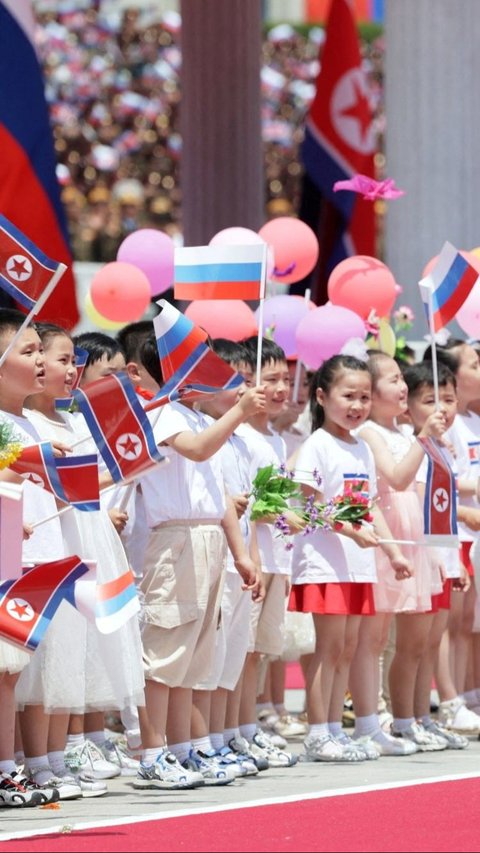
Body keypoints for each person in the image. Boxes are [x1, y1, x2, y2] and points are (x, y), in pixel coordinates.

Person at [132, 339, 268, 789]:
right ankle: (152, 754)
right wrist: (240, 412)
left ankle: (182, 748)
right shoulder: (165, 413)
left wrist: (241, 554)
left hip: (208, 537)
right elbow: (196, 451)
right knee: (165, 651)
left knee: (192, 657)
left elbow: (220, 499)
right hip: (176, 540)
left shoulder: (201, 417)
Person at [27, 323, 145, 781]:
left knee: (87, 643)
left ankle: (69, 750)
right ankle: (54, 754)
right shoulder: (29, 422)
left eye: (72, 360)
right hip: (62, 539)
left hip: (90, 536)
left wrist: (123, 470)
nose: (70, 370)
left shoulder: (75, 420)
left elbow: (83, 483)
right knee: (55, 649)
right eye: (61, 359)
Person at [287, 354, 413, 762]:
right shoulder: (317, 446)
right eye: (348, 396)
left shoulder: (360, 447)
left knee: (347, 647)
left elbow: (369, 506)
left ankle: (334, 732)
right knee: (329, 647)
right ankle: (318, 732)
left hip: (357, 563)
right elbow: (307, 505)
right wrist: (349, 531)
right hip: (325, 562)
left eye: (363, 397)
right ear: (322, 396)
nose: (357, 405)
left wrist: (392, 552)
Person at [351, 352, 454, 754]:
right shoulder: (371, 434)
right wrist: (423, 436)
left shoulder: (404, 433)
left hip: (418, 542)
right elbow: (394, 478)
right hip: (387, 542)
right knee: (373, 641)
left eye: (400, 378)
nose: (402, 386)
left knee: (416, 641)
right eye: (392, 379)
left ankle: (412, 719)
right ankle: (372, 721)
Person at [0, 310, 79, 804]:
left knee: (12, 672)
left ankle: (11, 766)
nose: (40, 362)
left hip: (34, 559)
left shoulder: (27, 422)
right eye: (27, 352)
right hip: (9, 555)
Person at [423, 339, 480, 733]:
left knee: (463, 622)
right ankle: (450, 699)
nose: (444, 406)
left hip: (464, 530)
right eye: (434, 398)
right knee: (445, 622)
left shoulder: (466, 422)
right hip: (449, 531)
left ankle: (465, 697)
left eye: (448, 398)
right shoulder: (440, 429)